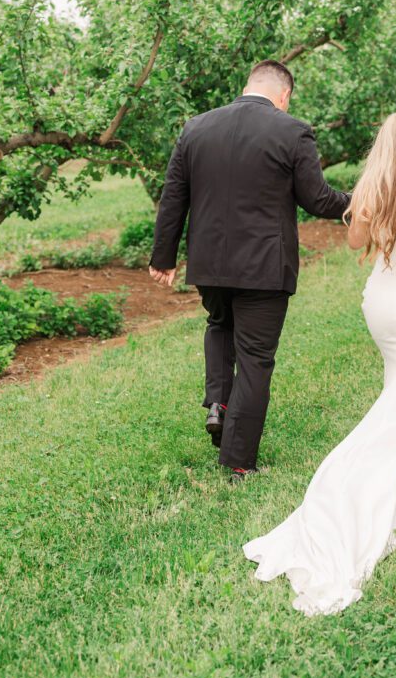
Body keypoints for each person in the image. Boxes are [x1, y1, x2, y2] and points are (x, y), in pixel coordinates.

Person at [243, 111, 396, 615]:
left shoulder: (372, 192)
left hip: (382, 300)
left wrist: (374, 217)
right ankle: (354, 482)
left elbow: (355, 243)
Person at [149, 60, 350, 483]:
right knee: (256, 359)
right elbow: (317, 200)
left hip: (209, 263)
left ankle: (219, 404)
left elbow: (173, 197)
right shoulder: (293, 131)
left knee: (219, 324)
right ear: (284, 95)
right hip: (264, 266)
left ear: (249, 84)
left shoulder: (196, 127)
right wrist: (361, 198)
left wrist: (164, 257)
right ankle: (238, 461)